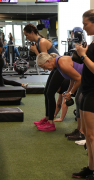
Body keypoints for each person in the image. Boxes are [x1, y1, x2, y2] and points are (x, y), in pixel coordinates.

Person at [24, 23, 65, 131]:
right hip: (56, 68)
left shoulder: (41, 42)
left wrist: (35, 51)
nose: (26, 38)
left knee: (50, 93)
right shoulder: (38, 41)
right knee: (46, 92)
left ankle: (50, 123)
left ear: (32, 33)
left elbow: (44, 59)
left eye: (27, 35)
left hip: (59, 67)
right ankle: (47, 118)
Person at [36, 53, 83, 134]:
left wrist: (71, 92)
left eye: (44, 67)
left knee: (81, 102)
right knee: (79, 102)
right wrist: (69, 91)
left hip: (89, 78)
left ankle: (82, 132)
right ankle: (79, 130)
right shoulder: (58, 65)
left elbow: (79, 78)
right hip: (85, 78)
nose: (44, 69)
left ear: (48, 61)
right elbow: (72, 77)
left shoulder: (62, 64)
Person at [71, 9, 94, 180]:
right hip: (86, 91)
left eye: (86, 24)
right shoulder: (92, 42)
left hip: (93, 92)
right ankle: (90, 168)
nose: (84, 28)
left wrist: (84, 55)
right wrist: (80, 53)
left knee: (92, 135)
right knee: (88, 135)